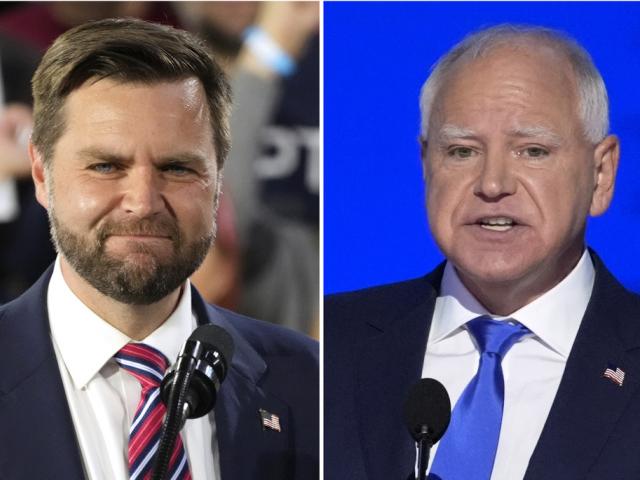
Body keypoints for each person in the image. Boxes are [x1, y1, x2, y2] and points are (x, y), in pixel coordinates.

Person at [0, 18, 318, 480]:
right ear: (42, 174)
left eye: (177, 168)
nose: (143, 202)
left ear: (217, 180)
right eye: (106, 166)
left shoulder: (309, 383)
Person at [325, 24, 640, 480]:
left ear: (602, 174)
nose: (493, 184)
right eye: (461, 152)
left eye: (532, 151)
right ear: (426, 165)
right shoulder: (330, 347)